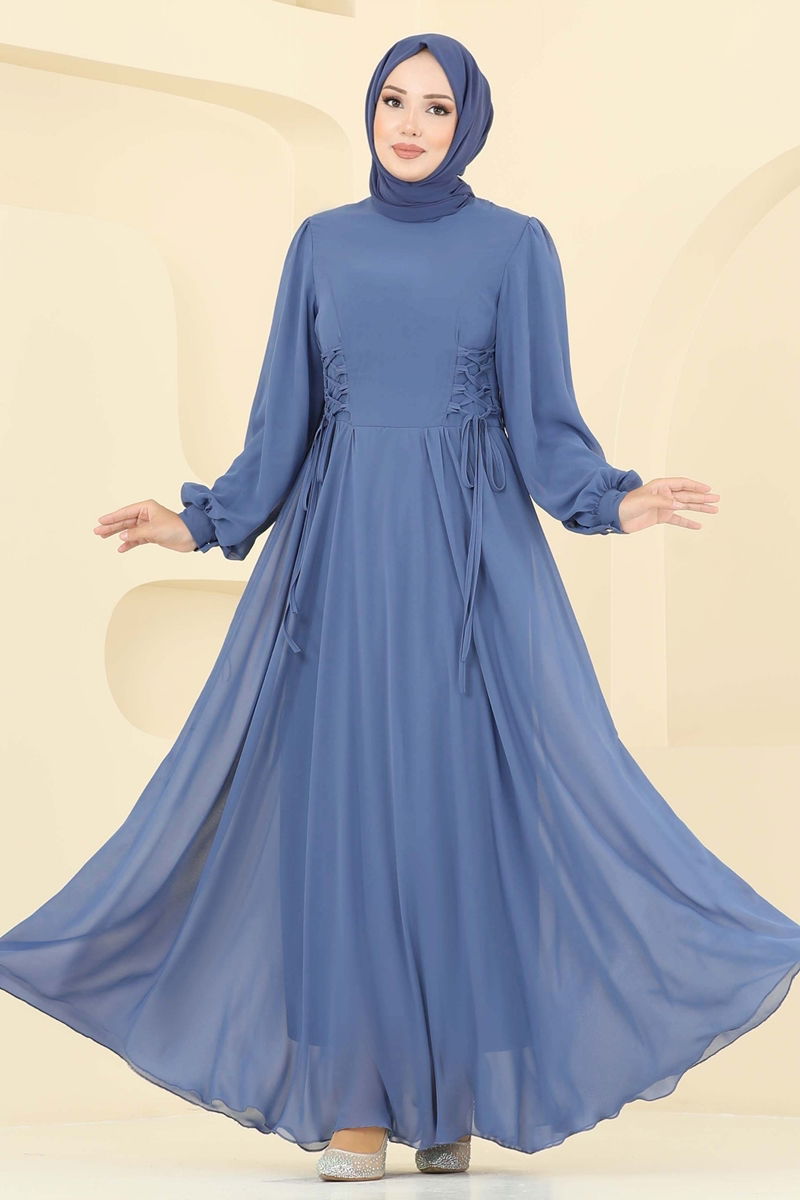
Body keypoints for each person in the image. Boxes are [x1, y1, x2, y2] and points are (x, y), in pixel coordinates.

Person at [1, 32, 798, 1186]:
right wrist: (204, 520)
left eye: (434, 106)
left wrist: (611, 501)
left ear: (466, 124)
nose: (409, 124)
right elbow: (283, 421)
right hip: (336, 568)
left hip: (469, 572)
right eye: (392, 100)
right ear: (369, 110)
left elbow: (544, 424)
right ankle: (358, 1104)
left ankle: (447, 1095)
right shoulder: (320, 245)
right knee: (344, 819)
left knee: (455, 821)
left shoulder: (514, 247)